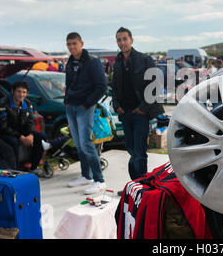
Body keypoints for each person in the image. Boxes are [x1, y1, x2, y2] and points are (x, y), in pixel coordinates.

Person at [111, 27, 164, 181]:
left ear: (131, 40)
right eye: (119, 40)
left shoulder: (145, 59)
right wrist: (116, 106)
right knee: (131, 151)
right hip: (124, 113)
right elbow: (114, 87)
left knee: (139, 153)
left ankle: (141, 187)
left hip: (140, 113)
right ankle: (135, 184)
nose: (122, 43)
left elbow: (155, 85)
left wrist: (143, 108)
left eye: (124, 39)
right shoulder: (117, 62)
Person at [64, 32, 107, 195]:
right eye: (69, 44)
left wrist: (87, 104)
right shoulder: (70, 61)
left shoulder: (92, 61)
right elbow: (68, 83)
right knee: (78, 143)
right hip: (71, 106)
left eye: (74, 43)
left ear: (81, 43)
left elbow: (102, 86)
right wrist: (66, 100)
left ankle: (99, 180)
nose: (72, 47)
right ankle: (86, 175)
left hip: (84, 107)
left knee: (87, 143)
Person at [0, 81, 47, 176]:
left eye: (24, 92)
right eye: (18, 91)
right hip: (5, 133)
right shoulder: (3, 103)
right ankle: (15, 171)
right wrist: (21, 137)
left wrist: (31, 135)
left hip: (21, 132)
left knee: (41, 137)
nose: (21, 94)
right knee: (14, 142)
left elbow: (31, 121)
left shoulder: (27, 103)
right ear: (12, 91)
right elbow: (3, 126)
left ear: (27, 93)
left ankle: (33, 167)